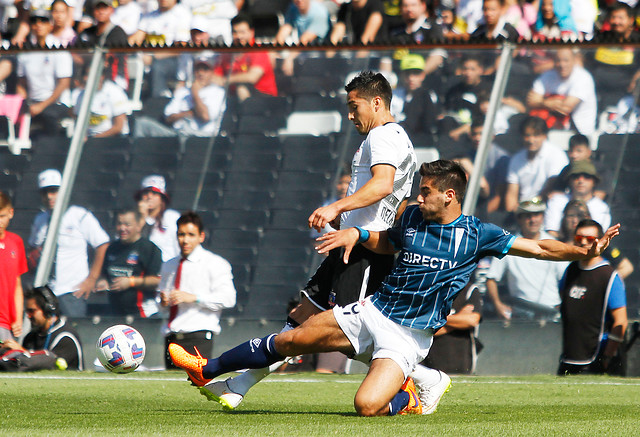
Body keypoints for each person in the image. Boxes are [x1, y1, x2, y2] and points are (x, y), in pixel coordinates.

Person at [169, 159, 620, 416]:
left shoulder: (477, 233)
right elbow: (388, 240)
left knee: (366, 406)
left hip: (410, 335)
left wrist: (580, 253)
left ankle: (414, 388)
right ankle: (205, 370)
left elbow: (538, 247)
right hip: (373, 310)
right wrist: (357, 235)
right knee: (291, 338)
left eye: (426, 192)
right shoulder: (410, 216)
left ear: (449, 195)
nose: (417, 197)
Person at [195, 71, 418, 412]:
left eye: (353, 105)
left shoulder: (383, 137)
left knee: (343, 339)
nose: (349, 114)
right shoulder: (393, 137)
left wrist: (337, 206)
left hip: (361, 254)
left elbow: (384, 184)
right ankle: (236, 385)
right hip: (348, 243)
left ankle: (417, 378)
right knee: (299, 321)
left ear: (376, 102)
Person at [27, 169, 110, 318]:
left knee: (72, 334)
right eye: (45, 192)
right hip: (46, 291)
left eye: (54, 191)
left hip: (72, 291)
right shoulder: (39, 220)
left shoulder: (79, 215)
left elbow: (102, 244)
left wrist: (91, 279)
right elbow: (32, 248)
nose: (49, 196)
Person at [159, 211, 236, 369]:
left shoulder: (215, 263)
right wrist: (162, 301)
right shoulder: (169, 265)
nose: (185, 240)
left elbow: (228, 299)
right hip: (171, 337)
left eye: (191, 235)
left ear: (201, 236)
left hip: (197, 337)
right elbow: (162, 306)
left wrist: (194, 297)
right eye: (181, 234)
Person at [557, 219, 627, 375]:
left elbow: (621, 321)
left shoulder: (609, 276)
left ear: (600, 241)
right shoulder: (570, 270)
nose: (583, 242)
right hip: (568, 358)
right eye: (578, 238)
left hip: (595, 360)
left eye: (589, 239)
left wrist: (606, 358)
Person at [485, 199, 568, 321]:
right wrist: (498, 305)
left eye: (536, 215)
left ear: (543, 217)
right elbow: (491, 278)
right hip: (521, 315)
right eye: (528, 216)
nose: (533, 220)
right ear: (519, 219)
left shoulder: (553, 244)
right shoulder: (508, 245)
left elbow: (566, 279)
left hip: (552, 312)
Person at [133, 56, 226, 138]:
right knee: (142, 123)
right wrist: (188, 113)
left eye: (205, 70)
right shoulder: (183, 91)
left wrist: (195, 93)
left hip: (200, 137)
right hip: (175, 135)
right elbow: (168, 118)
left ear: (212, 72)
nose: (200, 73)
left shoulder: (218, 93)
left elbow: (205, 116)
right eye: (198, 69)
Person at [96, 208, 162, 318]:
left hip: (142, 314)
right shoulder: (112, 248)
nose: (122, 228)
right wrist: (103, 283)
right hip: (115, 313)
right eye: (119, 224)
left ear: (138, 225)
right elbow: (104, 275)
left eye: (127, 225)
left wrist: (130, 282)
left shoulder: (149, 249)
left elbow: (157, 281)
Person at [16, 8, 72, 135]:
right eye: (34, 21)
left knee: (48, 115)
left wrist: (42, 106)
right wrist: (24, 98)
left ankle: (51, 152)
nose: (38, 25)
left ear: (50, 25)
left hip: (57, 103)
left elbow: (64, 83)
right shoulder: (25, 52)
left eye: (43, 21)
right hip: (33, 103)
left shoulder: (58, 48)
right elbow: (21, 82)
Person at [0, 286, 83, 370]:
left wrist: (20, 351)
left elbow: (51, 364)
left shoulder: (65, 337)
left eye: (32, 311)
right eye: (27, 312)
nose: (28, 316)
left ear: (47, 309)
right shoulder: (31, 337)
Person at [504, 115, 568, 212]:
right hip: (522, 212)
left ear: (544, 136)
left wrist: (530, 206)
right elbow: (511, 193)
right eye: (527, 135)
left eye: (536, 135)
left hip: (548, 208)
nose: (531, 140)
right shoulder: (516, 159)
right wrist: (514, 211)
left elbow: (552, 186)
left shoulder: (556, 155)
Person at [526, 47, 597, 135]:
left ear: (574, 60)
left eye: (566, 60)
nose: (562, 65)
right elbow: (530, 102)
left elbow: (565, 108)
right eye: (558, 60)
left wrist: (541, 102)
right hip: (551, 131)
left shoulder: (583, 77)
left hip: (580, 133)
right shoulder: (547, 75)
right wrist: (546, 103)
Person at [211, 14, 277, 102]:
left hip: (265, 100)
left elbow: (252, 77)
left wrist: (225, 80)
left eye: (242, 32)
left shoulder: (258, 50)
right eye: (235, 32)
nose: (238, 36)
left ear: (251, 32)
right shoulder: (228, 53)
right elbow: (214, 76)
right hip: (234, 99)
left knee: (241, 88)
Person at [422, 282, 482, 375]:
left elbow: (471, 320)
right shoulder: (426, 290)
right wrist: (458, 319)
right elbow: (423, 330)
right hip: (426, 362)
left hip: (461, 361)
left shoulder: (469, 289)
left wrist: (435, 319)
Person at [544, 160, 611, 238]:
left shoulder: (601, 207)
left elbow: (597, 236)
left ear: (594, 182)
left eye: (586, 177)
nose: (581, 181)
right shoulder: (557, 201)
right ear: (569, 180)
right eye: (576, 177)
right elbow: (551, 231)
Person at [390, 53, 440, 143]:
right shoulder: (392, 95)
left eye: (415, 74)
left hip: (419, 140)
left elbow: (429, 124)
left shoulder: (428, 96)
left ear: (422, 75)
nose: (411, 78)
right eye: (407, 74)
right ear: (401, 75)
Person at [545, 134, 611, 201]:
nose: (574, 155)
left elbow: (599, 196)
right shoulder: (567, 169)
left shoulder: (600, 170)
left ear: (589, 152)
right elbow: (555, 193)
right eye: (571, 151)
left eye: (579, 151)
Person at [0, 191, 27, 342]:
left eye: (2, 216)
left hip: (8, 324)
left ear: (11, 213)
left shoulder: (16, 242)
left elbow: (17, 285)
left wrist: (18, 317)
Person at [135, 175, 180, 262]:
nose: (149, 197)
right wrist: (142, 217)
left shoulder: (171, 217)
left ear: (162, 198)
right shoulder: (133, 218)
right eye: (146, 193)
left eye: (155, 193)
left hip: (167, 268)